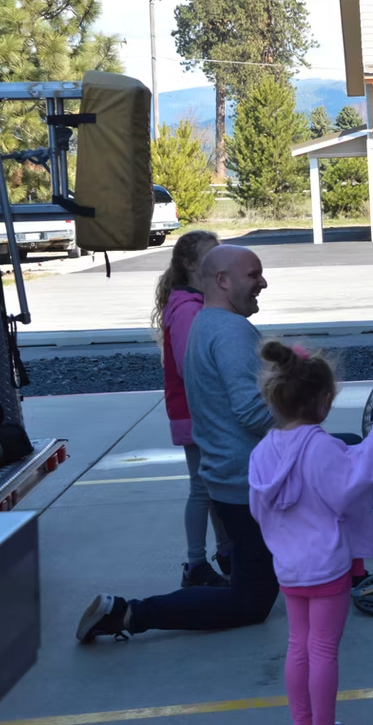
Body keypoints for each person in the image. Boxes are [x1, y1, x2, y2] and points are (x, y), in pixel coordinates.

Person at [77, 245, 280, 641]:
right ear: (222, 281)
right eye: (254, 274)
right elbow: (253, 413)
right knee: (250, 603)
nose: (263, 282)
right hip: (245, 482)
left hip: (228, 475)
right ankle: (125, 614)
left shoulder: (204, 322)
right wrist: (303, 413)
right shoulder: (232, 332)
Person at [249, 341, 373, 725]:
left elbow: (256, 507)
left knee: (298, 646)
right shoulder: (322, 447)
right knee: (324, 651)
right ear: (322, 398)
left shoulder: (262, 452)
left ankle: (302, 720)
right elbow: (348, 487)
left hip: (290, 568)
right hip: (327, 568)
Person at [151, 230, 231, 589]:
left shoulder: (193, 303)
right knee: (202, 488)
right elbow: (191, 364)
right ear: (188, 265)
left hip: (197, 410)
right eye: (210, 257)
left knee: (212, 485)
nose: (218, 263)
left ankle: (227, 552)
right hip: (195, 412)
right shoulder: (187, 309)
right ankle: (195, 564)